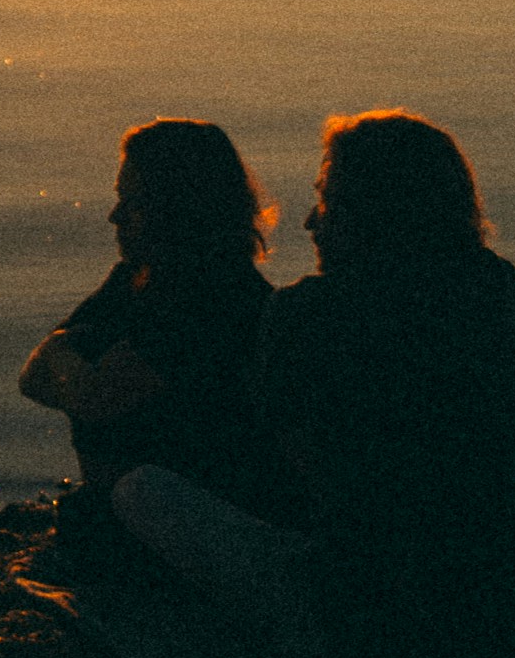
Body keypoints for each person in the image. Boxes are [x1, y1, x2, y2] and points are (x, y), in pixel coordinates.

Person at [111, 109, 515, 658]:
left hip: (375, 619)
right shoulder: (500, 290)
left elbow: (308, 482)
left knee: (139, 491)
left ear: (365, 213)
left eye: (325, 201)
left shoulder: (307, 316)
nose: (307, 222)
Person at [17, 117, 307, 581]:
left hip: (204, 512)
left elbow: (98, 397)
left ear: (179, 206)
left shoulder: (219, 298)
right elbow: (33, 378)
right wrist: (70, 366)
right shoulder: (133, 282)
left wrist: (66, 360)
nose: (114, 216)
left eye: (131, 203)